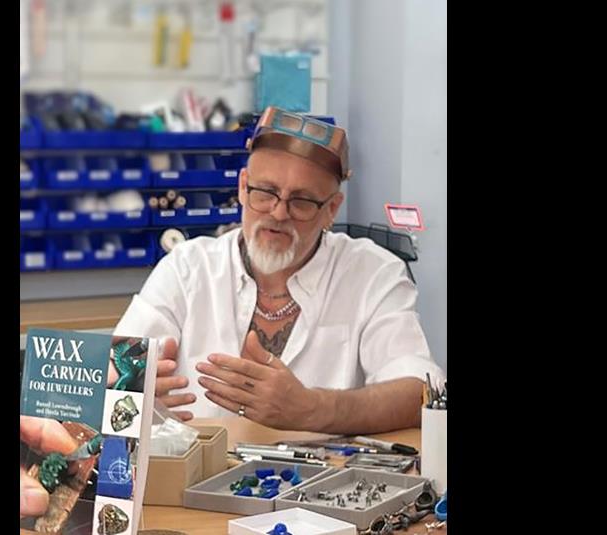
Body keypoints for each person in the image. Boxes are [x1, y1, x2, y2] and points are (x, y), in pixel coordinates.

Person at [114, 107, 444, 434]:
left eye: (302, 201)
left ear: (331, 209)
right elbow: (109, 369)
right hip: (196, 463)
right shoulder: (187, 267)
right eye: (266, 193)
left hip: (322, 467)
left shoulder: (374, 273)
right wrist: (127, 392)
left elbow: (419, 391)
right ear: (243, 187)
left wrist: (314, 409)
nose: (279, 213)